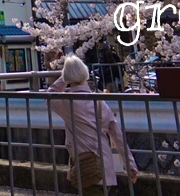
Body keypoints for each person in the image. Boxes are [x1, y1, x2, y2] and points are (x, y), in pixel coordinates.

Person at [48, 55, 137, 196]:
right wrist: (130, 164)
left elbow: (51, 93)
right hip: (105, 166)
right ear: (86, 75)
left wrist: (66, 75)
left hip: (85, 166)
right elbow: (117, 135)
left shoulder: (67, 104)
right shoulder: (100, 103)